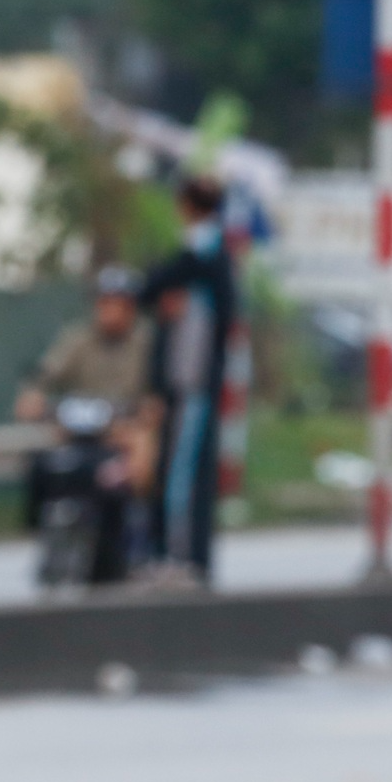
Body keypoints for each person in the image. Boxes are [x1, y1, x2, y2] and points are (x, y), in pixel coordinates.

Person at [141, 175, 237, 582]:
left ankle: (180, 557)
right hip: (189, 382)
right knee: (182, 468)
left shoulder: (202, 255)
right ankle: (182, 554)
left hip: (191, 382)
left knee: (182, 470)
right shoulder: (210, 257)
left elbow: (149, 286)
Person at [16, 264, 162, 529]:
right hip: (81, 425)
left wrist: (150, 406)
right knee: (46, 454)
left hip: (121, 425)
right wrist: (33, 394)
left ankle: (138, 526)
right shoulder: (79, 338)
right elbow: (47, 372)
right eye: (103, 302)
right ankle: (47, 517)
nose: (107, 310)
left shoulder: (146, 341)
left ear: (130, 308)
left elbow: (157, 389)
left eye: (116, 303)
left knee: (143, 445)